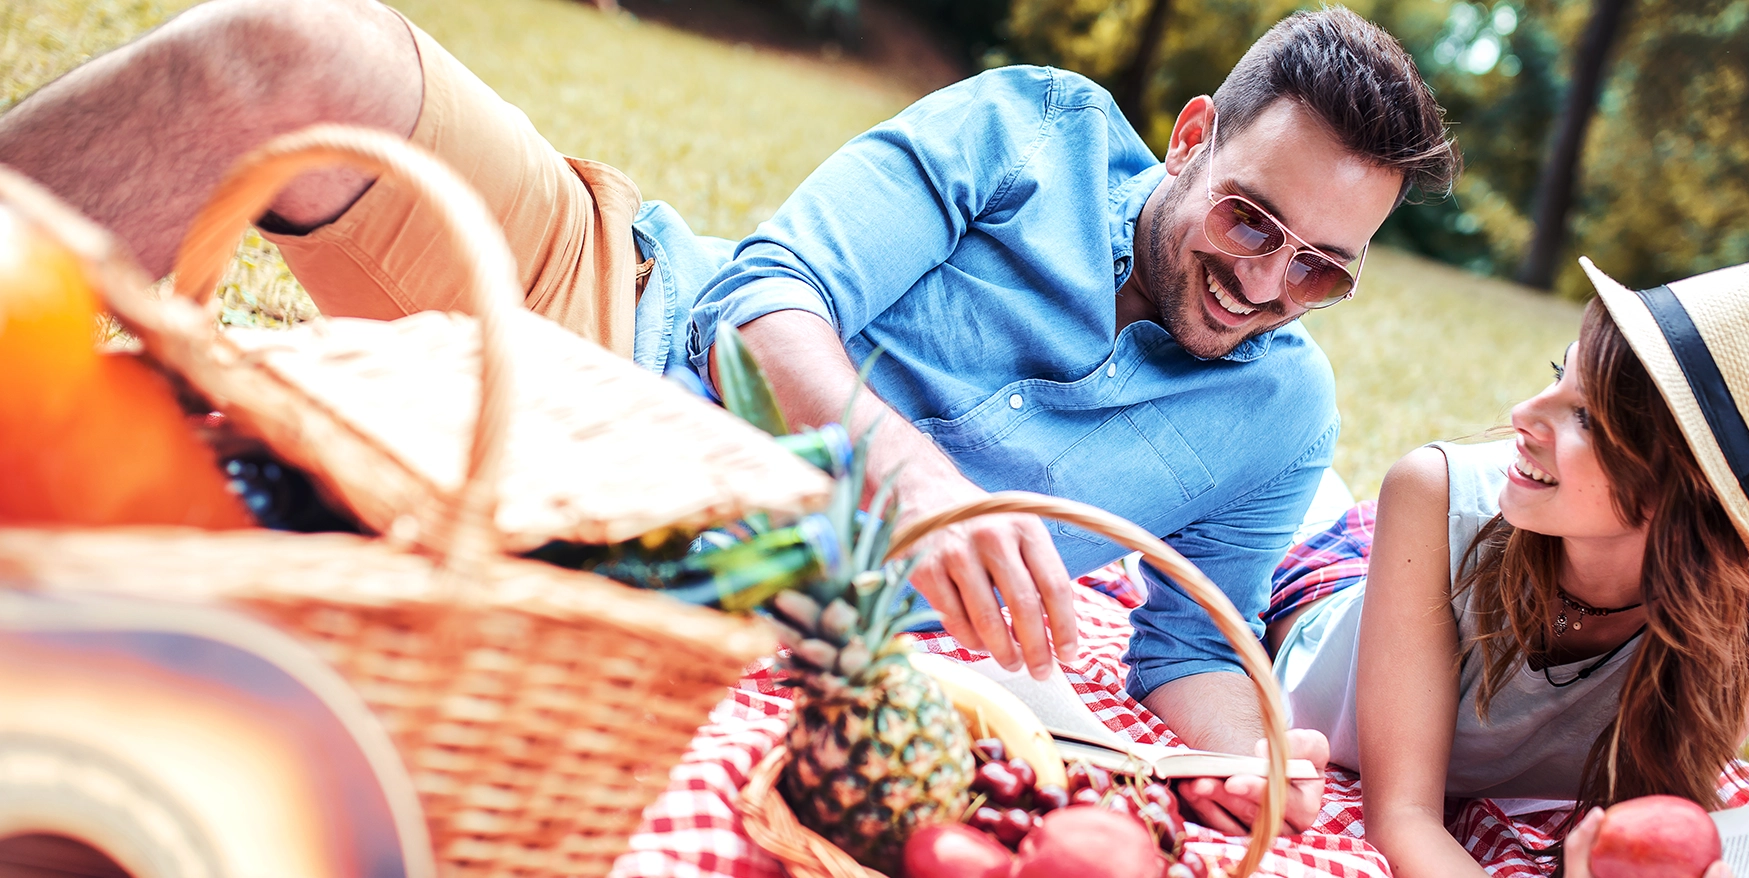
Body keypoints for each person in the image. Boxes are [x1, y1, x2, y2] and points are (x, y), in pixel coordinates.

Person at [0, 0, 1452, 822]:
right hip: (607, 321)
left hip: (725, 577)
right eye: (1252, 220)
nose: (1266, 283)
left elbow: (1189, 650)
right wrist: (918, 480)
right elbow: (766, 298)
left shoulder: (1285, 415)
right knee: (299, 55)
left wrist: (1239, 769)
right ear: (1190, 139)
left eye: (1324, 268)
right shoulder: (1030, 128)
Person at [1263, 255, 1749, 875]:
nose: (1523, 414)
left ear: (1687, 491)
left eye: (1586, 416)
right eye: (1560, 373)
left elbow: (1638, 833)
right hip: (1334, 588)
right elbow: (1402, 817)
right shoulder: (1435, 490)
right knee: (1294, 508)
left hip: (1464, 541)